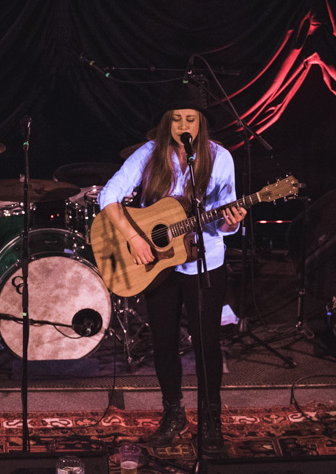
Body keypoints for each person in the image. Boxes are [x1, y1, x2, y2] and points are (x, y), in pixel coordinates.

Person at [98, 83, 246, 456]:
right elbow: (108, 196)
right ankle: (173, 411)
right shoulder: (150, 154)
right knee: (164, 344)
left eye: (191, 119)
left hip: (205, 263)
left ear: (201, 124)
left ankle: (210, 418)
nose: (184, 125)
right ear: (167, 123)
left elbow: (224, 221)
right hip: (158, 267)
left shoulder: (220, 158)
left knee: (207, 344)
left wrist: (231, 222)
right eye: (177, 118)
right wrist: (133, 237)